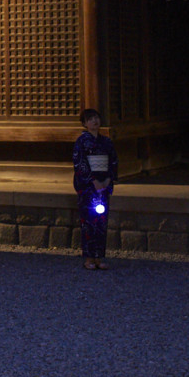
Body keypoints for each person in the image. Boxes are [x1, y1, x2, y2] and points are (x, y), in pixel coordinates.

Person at [73, 108, 118, 270]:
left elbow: (113, 161)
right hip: (88, 188)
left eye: (96, 118)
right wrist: (92, 181)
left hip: (103, 185)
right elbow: (80, 164)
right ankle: (89, 258)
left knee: (101, 222)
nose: (94, 121)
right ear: (84, 124)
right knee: (88, 222)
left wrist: (107, 179)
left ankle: (99, 257)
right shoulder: (82, 142)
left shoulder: (106, 142)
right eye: (90, 119)